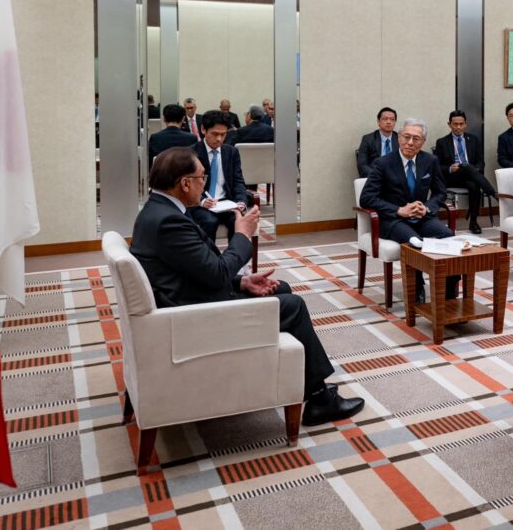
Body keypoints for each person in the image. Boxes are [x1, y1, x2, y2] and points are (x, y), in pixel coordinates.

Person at [131, 147, 363, 426]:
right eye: (202, 177)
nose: (204, 183)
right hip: (193, 316)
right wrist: (241, 235)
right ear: (185, 183)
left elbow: (193, 269)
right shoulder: (169, 221)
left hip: (185, 299)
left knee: (281, 289)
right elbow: (216, 274)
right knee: (294, 306)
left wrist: (242, 281)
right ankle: (320, 399)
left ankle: (297, 381)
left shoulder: (157, 211)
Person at [359, 119, 458, 303]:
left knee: (448, 236)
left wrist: (426, 208)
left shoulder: (430, 161)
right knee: (415, 242)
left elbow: (440, 193)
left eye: (416, 139)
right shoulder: (383, 163)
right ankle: (417, 287)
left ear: (423, 142)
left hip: (422, 218)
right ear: (399, 138)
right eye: (406, 137)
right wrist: (399, 210)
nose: (410, 143)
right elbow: (366, 198)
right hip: (393, 220)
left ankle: (449, 287)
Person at [432, 110, 497, 234]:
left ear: (466, 124)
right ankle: (492, 193)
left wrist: (474, 170)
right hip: (452, 177)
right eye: (455, 124)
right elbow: (437, 166)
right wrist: (450, 168)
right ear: (449, 124)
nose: (458, 127)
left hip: (470, 176)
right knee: (467, 168)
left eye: (461, 124)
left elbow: (480, 162)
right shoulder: (442, 142)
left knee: (474, 184)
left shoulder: (474, 140)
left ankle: (473, 222)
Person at [190, 111, 249, 242]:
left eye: (223, 134)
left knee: (237, 219)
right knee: (210, 221)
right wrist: (202, 201)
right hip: (201, 204)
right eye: (215, 134)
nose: (219, 139)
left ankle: (234, 254)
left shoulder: (231, 152)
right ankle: (208, 255)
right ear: (203, 129)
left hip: (226, 202)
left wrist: (241, 201)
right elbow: (187, 185)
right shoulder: (191, 153)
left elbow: (238, 181)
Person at [356, 107, 399, 178]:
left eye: (392, 119)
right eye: (385, 119)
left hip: (396, 178)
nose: (389, 122)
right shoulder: (368, 139)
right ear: (378, 121)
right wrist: (376, 176)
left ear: (395, 122)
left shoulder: (400, 138)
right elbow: (362, 165)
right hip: (376, 177)